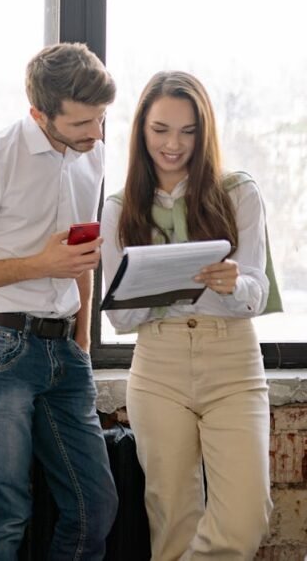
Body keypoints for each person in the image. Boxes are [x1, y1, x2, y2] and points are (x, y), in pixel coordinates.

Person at [0, 42, 119, 559]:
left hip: (66, 351)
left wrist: (81, 337)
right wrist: (42, 264)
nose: (97, 134)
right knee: (6, 516)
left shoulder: (92, 153)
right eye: (83, 123)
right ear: (39, 114)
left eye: (101, 118)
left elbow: (77, 250)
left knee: (95, 509)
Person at [101, 71, 276, 559]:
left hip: (233, 363)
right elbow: (119, 318)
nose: (173, 144)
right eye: (160, 130)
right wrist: (167, 290)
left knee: (245, 518)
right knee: (172, 522)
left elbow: (255, 292)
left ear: (204, 132)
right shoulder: (120, 209)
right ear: (141, 131)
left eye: (187, 131)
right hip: (159, 365)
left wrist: (232, 283)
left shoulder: (238, 192)